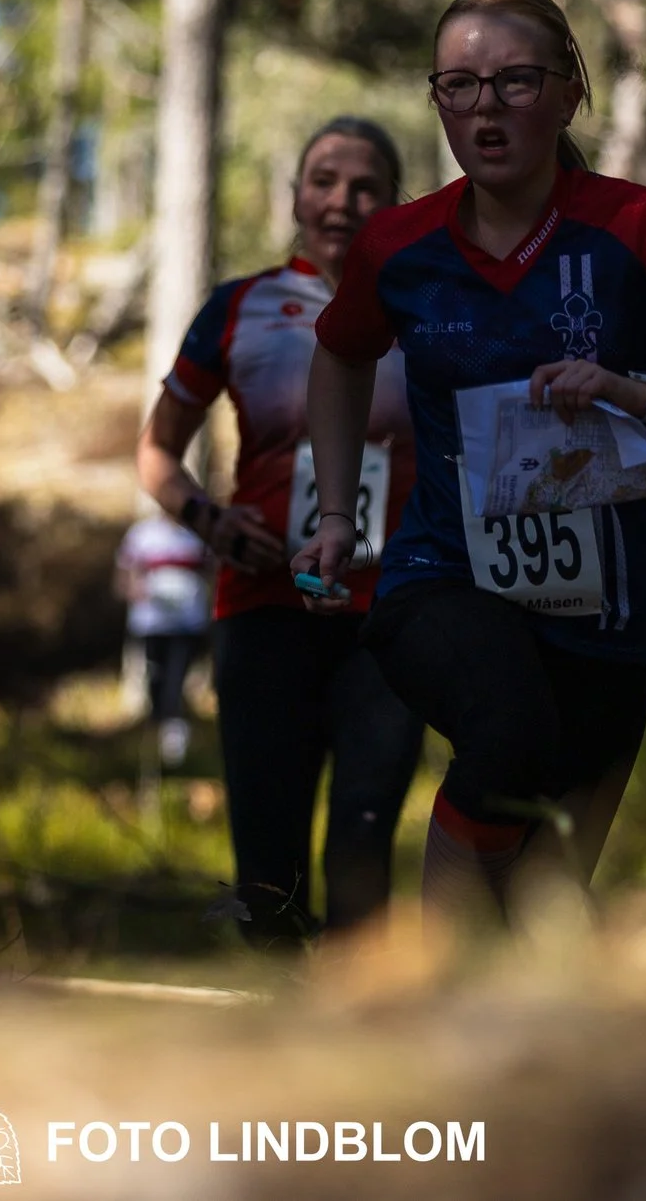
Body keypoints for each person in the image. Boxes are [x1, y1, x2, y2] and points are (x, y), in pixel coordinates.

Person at [293, 0, 646, 921]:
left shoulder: (636, 228)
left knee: (547, 893)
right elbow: (339, 352)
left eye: (515, 82)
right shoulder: (403, 246)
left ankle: (503, 1023)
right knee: (506, 728)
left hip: (600, 604)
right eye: (458, 86)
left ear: (570, 92)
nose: (485, 110)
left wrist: (640, 390)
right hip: (442, 573)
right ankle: (431, 976)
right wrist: (337, 516)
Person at [137, 116, 424, 943]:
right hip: (263, 610)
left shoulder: (427, 309)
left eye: (365, 185)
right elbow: (157, 451)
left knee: (364, 853)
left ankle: (356, 1046)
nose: (342, 200)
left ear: (392, 201)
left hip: (388, 617)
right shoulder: (237, 307)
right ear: (296, 195)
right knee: (268, 877)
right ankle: (277, 1033)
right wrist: (208, 520)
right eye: (324, 180)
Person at [113, 513, 213, 766]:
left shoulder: (197, 535)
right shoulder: (142, 533)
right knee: (154, 679)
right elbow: (123, 576)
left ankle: (175, 747)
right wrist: (134, 589)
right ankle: (158, 735)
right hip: (151, 624)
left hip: (187, 624)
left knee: (176, 680)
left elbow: (213, 572)